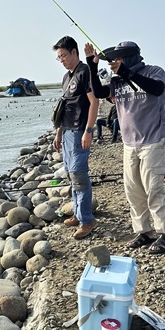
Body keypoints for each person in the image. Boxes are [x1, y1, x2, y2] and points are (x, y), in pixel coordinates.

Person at [84, 41, 165, 254]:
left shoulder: (154, 71)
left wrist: (126, 72)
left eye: (120, 58)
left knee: (153, 187)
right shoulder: (117, 81)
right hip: (129, 142)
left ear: (130, 57)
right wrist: (91, 64)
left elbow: (156, 88)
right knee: (133, 189)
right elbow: (98, 92)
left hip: (153, 139)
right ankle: (145, 231)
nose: (115, 62)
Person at [53, 36, 99, 240]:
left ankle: (87, 220)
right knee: (72, 176)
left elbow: (94, 102)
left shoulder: (85, 72)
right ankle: (78, 212)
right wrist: (58, 132)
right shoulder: (66, 77)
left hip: (81, 131)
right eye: (58, 57)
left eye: (63, 55)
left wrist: (89, 131)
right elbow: (65, 107)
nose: (61, 59)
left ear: (74, 52)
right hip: (67, 132)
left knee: (79, 175)